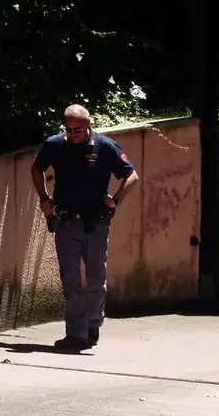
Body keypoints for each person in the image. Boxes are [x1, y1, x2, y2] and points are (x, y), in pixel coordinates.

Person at [30, 104, 139, 352]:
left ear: (88, 124)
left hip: (96, 222)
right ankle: (76, 334)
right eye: (68, 130)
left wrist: (116, 199)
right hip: (66, 221)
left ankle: (92, 326)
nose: (72, 134)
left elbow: (131, 175)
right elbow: (37, 167)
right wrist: (44, 198)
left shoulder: (105, 147)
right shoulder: (56, 145)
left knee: (95, 278)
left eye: (77, 130)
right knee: (70, 279)